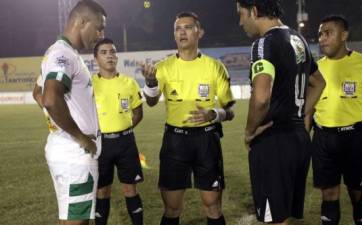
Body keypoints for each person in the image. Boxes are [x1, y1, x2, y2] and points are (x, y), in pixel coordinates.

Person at [236, 0, 326, 224]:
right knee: (282, 216)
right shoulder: (298, 39)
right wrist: (301, 115)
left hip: (273, 142)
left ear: (254, 11)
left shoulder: (263, 43)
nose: (240, 22)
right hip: (298, 139)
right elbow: (319, 82)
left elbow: (261, 98)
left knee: (274, 220)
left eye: (241, 14)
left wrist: (249, 131)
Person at [141, 11, 235, 225]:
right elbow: (152, 101)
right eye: (177, 28)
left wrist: (214, 114)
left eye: (187, 27)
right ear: (174, 35)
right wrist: (151, 83)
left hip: (207, 140)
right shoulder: (163, 67)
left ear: (199, 32)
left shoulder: (214, 66)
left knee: (212, 206)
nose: (182, 31)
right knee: (172, 208)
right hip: (175, 141)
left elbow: (230, 110)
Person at [311, 15, 362, 225]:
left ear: (344, 35)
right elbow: (307, 112)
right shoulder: (315, 69)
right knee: (328, 197)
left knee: (359, 197)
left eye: (328, 33)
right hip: (322, 139)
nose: (322, 38)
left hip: (355, 139)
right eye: (320, 34)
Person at [35, 0, 106, 224]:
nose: (100, 35)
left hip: (67, 151)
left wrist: (57, 123)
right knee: (78, 221)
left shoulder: (58, 53)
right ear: (81, 21)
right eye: (98, 27)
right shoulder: (62, 54)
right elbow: (49, 98)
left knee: (71, 218)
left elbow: (38, 90)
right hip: (75, 156)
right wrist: (80, 137)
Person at [91, 38, 144, 225]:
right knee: (102, 190)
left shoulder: (129, 82)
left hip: (126, 143)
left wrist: (124, 129)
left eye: (112, 52)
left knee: (130, 189)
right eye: (104, 53)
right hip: (101, 145)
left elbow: (138, 112)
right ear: (96, 59)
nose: (109, 56)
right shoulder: (89, 85)